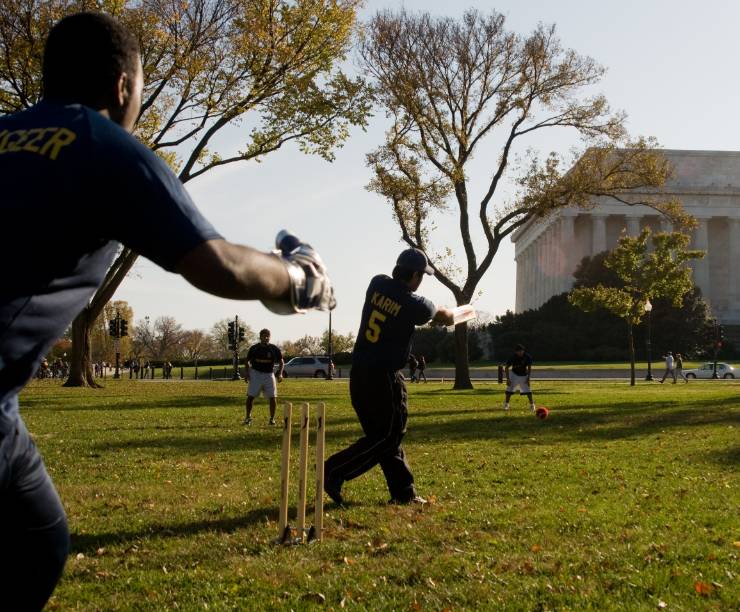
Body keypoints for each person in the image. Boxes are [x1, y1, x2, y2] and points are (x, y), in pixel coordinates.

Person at [0, 12, 334, 608]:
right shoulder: (103, 145)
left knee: (37, 534)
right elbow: (216, 263)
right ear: (124, 86)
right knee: (36, 543)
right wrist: (299, 278)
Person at [324, 248, 454, 506]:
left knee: (384, 435)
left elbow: (413, 309)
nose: (421, 281)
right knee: (388, 436)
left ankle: (403, 493)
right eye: (422, 276)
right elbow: (432, 311)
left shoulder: (378, 283)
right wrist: (445, 315)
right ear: (415, 274)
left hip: (359, 374)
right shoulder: (413, 304)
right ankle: (332, 472)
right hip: (382, 377)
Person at [244, 329, 284, 425]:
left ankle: (272, 419)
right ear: (260, 337)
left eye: (268, 336)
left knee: (273, 397)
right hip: (255, 374)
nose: (266, 338)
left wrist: (280, 373)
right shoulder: (254, 348)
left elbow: (282, 362)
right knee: (251, 396)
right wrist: (247, 373)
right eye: (264, 336)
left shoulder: (274, 349)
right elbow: (246, 361)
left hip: (269, 375)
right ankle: (248, 417)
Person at [503, 344, 535, 412]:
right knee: (509, 390)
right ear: (515, 352)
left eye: (521, 351)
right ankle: (506, 404)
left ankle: (532, 405)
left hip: (524, 375)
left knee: (528, 391)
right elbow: (506, 367)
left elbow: (529, 368)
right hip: (514, 374)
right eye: (518, 351)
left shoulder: (527, 357)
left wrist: (528, 378)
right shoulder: (512, 357)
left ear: (523, 351)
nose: (520, 352)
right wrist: (508, 379)